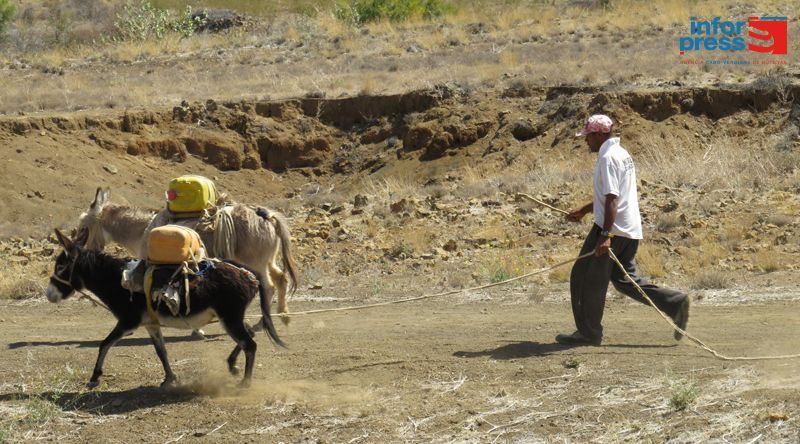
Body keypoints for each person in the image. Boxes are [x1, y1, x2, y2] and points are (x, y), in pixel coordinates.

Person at [556, 114, 690, 346]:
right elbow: (613, 196)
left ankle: (589, 333)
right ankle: (675, 302)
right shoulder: (621, 153)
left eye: (588, 137)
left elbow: (612, 199)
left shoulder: (607, 158)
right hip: (629, 228)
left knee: (585, 277)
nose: (586, 141)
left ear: (599, 135)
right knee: (625, 280)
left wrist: (606, 236)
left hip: (613, 229)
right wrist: (586, 209)